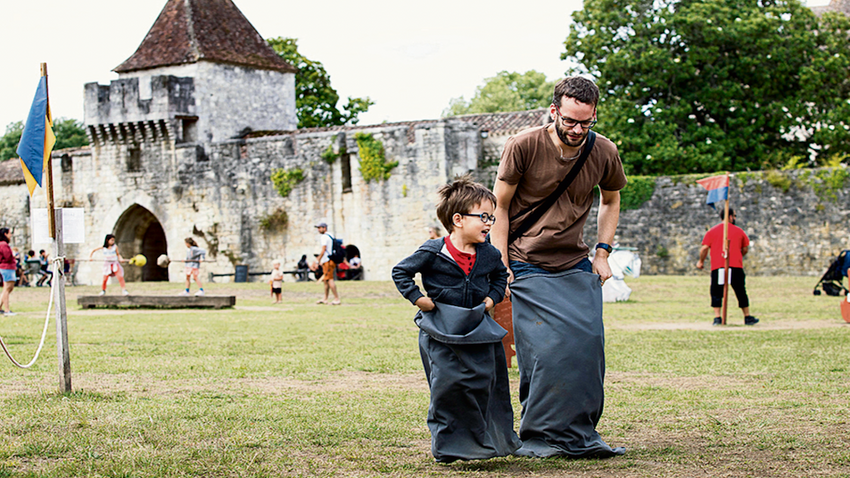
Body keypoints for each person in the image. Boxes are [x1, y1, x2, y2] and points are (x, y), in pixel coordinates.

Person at [491, 76, 627, 458]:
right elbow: (500, 206)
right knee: (546, 352)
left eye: (586, 122)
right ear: (553, 111)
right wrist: (501, 263)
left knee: (588, 347)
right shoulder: (523, 145)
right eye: (570, 121)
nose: (578, 130)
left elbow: (611, 200)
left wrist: (602, 253)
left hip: (573, 260)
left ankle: (579, 434)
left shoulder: (603, 150)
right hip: (525, 259)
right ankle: (540, 436)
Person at [392, 175, 519, 462]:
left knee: (484, 384)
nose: (489, 223)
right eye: (483, 216)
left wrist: (491, 299)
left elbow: (500, 276)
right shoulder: (432, 251)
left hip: (478, 329)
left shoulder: (489, 254)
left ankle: (488, 442)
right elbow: (400, 271)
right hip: (440, 330)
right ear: (458, 219)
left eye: (491, 217)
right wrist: (418, 298)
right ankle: (450, 447)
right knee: (447, 385)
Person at [696, 208, 759, 325]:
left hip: (718, 266)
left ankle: (717, 317)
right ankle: (747, 316)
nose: (735, 218)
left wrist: (701, 261)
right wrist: (738, 255)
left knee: (716, 291)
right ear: (729, 217)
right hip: (735, 266)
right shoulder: (739, 231)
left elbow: (704, 248)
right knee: (740, 291)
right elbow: (745, 248)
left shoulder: (712, 231)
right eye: (734, 216)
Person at [314, 222, 340, 305]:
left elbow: (323, 249)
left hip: (328, 261)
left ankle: (336, 298)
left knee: (329, 279)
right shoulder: (331, 235)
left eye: (320, 228)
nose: (318, 230)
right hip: (329, 260)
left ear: (324, 228)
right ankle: (325, 298)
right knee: (325, 280)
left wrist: (318, 260)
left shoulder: (324, 237)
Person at [0, 228, 18, 316]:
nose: (10, 235)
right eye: (9, 233)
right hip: (7, 267)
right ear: (5, 234)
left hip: (7, 267)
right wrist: (13, 256)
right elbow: (7, 256)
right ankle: (7, 310)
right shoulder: (3, 244)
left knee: (8, 288)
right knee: (7, 288)